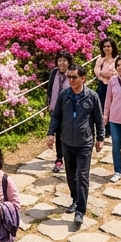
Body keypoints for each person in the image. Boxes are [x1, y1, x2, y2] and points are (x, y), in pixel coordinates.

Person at [46, 66, 103, 228]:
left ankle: (80, 211)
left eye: (74, 77)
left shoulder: (92, 97)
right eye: (69, 77)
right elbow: (56, 116)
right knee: (71, 175)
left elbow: (99, 119)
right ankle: (75, 198)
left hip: (84, 143)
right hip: (66, 142)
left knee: (82, 175)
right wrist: (50, 133)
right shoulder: (64, 96)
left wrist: (100, 138)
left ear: (83, 78)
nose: (70, 80)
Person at [46, 52, 72, 175]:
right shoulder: (54, 73)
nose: (62, 63)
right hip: (55, 109)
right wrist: (49, 103)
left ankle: (70, 159)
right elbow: (50, 89)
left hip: (69, 111)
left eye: (64, 60)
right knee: (58, 135)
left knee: (68, 135)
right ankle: (59, 159)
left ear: (69, 62)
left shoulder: (72, 74)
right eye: (60, 60)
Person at [93, 38, 117, 135]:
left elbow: (117, 73)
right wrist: (106, 74)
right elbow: (97, 71)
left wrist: (105, 74)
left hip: (113, 86)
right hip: (102, 85)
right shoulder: (100, 59)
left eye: (108, 46)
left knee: (112, 107)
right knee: (102, 107)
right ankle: (104, 129)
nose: (106, 48)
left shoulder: (116, 59)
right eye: (104, 46)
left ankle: (112, 129)